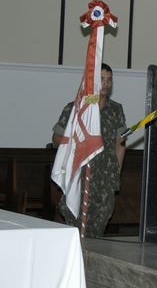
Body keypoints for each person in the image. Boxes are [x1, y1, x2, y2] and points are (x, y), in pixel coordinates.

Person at [52, 63, 127, 237]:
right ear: (92, 81)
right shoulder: (77, 107)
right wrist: (76, 141)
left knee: (98, 228)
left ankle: (92, 261)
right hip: (79, 176)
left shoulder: (116, 110)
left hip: (104, 178)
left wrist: (115, 174)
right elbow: (56, 138)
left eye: (109, 80)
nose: (106, 84)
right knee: (74, 224)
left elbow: (120, 144)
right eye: (101, 79)